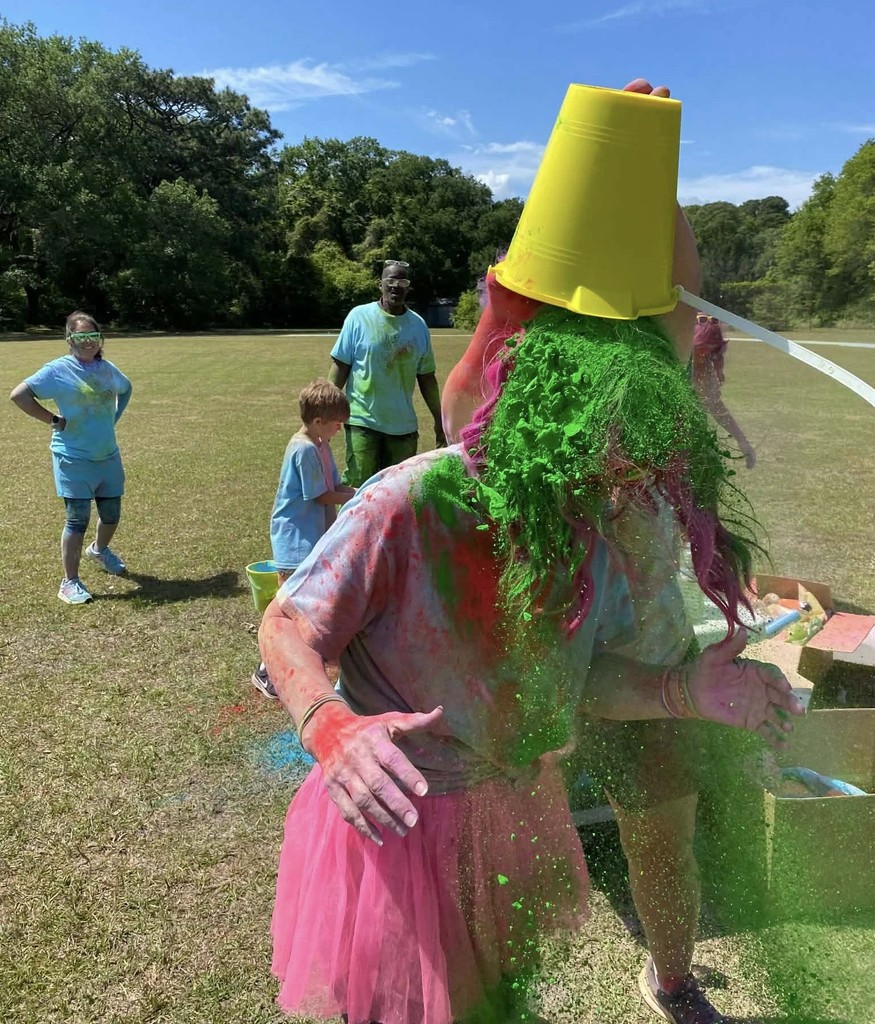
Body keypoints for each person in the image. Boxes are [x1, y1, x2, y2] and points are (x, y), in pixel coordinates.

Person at [259, 79, 805, 1018]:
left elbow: (579, 683)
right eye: (608, 462)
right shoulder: (412, 502)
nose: (625, 491)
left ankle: (665, 973)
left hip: (513, 810)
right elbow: (286, 625)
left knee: (498, 998)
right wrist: (330, 729)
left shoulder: (591, 526)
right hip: (399, 828)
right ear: (545, 422)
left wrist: (683, 690)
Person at [10, 311, 132, 605]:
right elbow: (20, 395)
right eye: (80, 337)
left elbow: (126, 389)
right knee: (77, 520)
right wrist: (53, 419)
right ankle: (70, 582)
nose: (88, 342)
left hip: (107, 456)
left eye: (92, 336)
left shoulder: (106, 368)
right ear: (69, 340)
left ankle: (99, 550)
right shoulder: (57, 370)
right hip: (73, 458)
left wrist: (113, 418)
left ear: (99, 339)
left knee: (112, 515)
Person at [251, 379, 356, 699]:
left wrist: (354, 492)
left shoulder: (321, 445)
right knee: (288, 608)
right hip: (295, 538)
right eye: (337, 424)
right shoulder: (304, 449)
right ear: (318, 421)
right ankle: (267, 670)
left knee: (314, 603)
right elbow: (322, 495)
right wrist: (355, 497)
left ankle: (309, 658)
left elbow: (335, 484)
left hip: (315, 536)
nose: (340, 430)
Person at [328, 259, 446, 487]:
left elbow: (427, 378)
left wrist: (439, 419)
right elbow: (340, 366)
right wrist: (325, 410)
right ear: (380, 284)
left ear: (408, 287)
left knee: (399, 493)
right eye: (390, 280)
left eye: (402, 281)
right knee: (357, 490)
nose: (396, 286)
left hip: (403, 429)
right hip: (362, 422)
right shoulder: (358, 317)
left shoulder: (418, 326)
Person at [692, 314, 756, 469]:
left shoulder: (705, 368)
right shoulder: (672, 362)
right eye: (701, 350)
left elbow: (715, 406)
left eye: (710, 352)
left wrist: (741, 440)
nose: (704, 356)